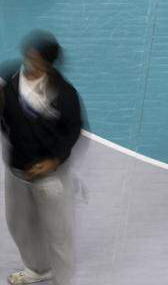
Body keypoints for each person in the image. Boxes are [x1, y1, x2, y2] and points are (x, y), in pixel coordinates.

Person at [0, 32, 84, 285]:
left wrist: (55, 161)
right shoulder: (8, 81)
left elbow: (72, 131)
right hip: (17, 170)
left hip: (50, 175)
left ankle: (63, 281)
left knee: (59, 234)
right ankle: (38, 269)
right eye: (28, 56)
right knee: (19, 225)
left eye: (35, 59)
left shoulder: (65, 94)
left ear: (48, 64)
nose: (28, 62)